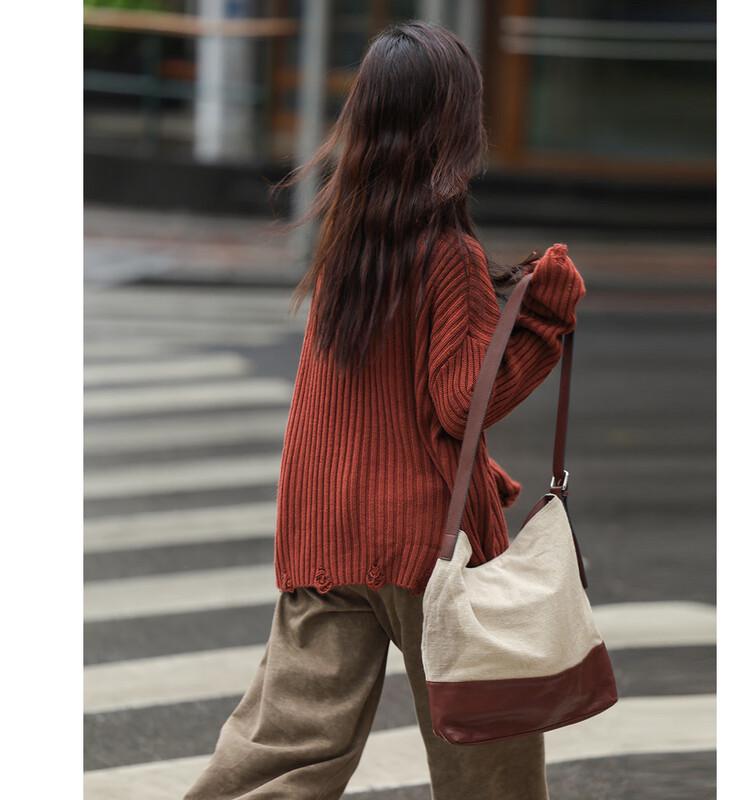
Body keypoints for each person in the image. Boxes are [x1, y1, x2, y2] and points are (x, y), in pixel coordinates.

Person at [184, 20, 586, 800]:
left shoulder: (344, 246)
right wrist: (543, 318)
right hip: (426, 548)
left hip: (324, 534)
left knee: (286, 750)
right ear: (457, 128)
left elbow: (371, 401)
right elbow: (462, 401)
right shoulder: (448, 255)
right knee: (487, 759)